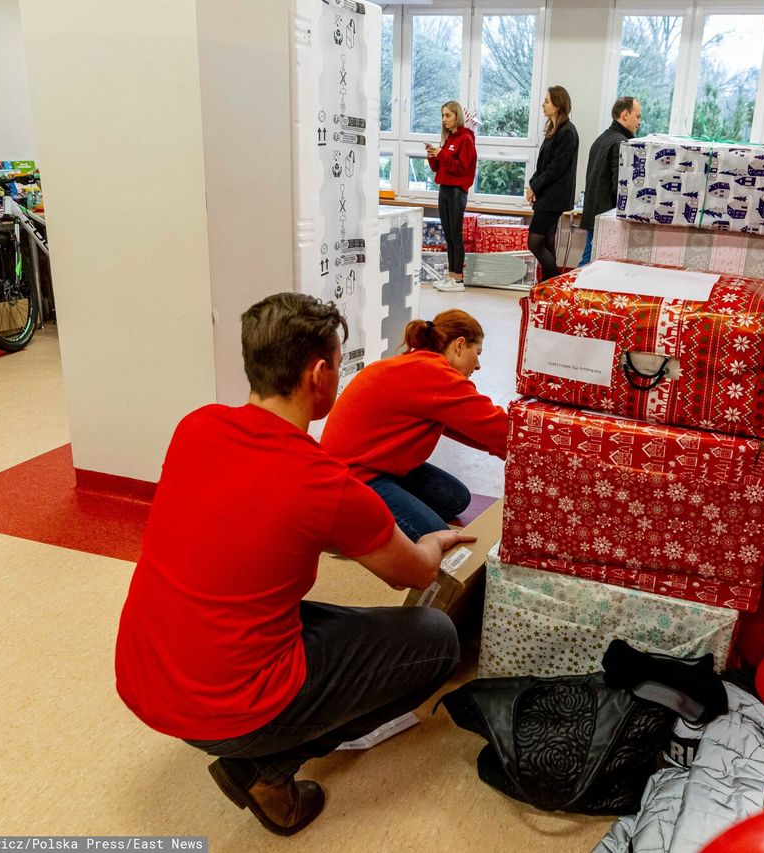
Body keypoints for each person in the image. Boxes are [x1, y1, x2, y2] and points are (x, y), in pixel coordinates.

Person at [114, 293, 473, 836]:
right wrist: (438, 541)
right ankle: (267, 768)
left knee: (301, 609)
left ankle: (255, 741)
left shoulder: (197, 426)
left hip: (143, 675)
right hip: (227, 703)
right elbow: (415, 573)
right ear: (320, 373)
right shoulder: (323, 482)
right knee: (437, 638)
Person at [321, 309, 508, 542]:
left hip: (375, 464)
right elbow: (500, 428)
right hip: (353, 476)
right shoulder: (435, 374)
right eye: (476, 353)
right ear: (459, 345)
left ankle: (383, 513)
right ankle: (352, 521)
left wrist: (506, 449)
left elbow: (470, 427)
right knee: (439, 539)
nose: (478, 365)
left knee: (456, 498)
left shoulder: (419, 362)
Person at [580, 96, 642, 266]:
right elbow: (619, 186)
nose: (639, 122)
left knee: (590, 258)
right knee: (589, 263)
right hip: (606, 213)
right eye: (637, 116)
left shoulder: (602, 139)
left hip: (594, 210)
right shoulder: (621, 143)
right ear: (625, 115)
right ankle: (570, 291)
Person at [526, 85, 580, 282]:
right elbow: (543, 165)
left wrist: (534, 187)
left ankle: (556, 282)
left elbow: (555, 168)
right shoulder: (554, 130)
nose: (543, 104)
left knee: (534, 241)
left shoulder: (567, 132)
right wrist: (532, 185)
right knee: (547, 241)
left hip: (554, 197)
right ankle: (548, 287)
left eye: (547, 101)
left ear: (558, 104)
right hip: (547, 194)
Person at [425, 101, 476, 293]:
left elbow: (461, 168)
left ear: (457, 116)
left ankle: (458, 278)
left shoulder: (465, 139)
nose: (444, 119)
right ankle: (450, 276)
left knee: (456, 235)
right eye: (443, 116)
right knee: (448, 235)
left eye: (448, 115)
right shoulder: (449, 139)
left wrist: (442, 154)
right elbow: (438, 167)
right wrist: (432, 155)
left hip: (457, 191)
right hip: (444, 189)